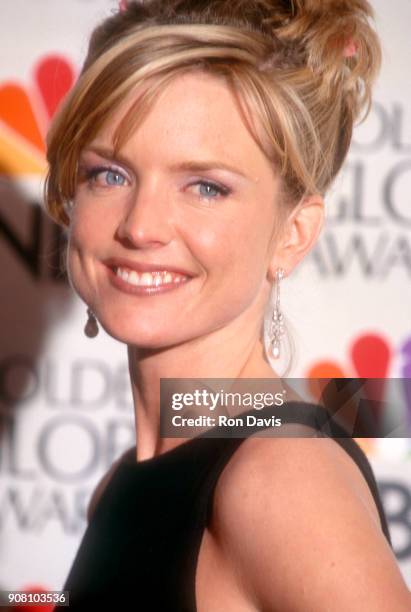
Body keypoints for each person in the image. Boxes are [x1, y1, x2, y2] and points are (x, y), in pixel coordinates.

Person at [44, 0, 411, 609]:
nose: (140, 227)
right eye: (110, 174)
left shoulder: (280, 481)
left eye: (206, 186)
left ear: (293, 232)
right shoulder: (123, 483)